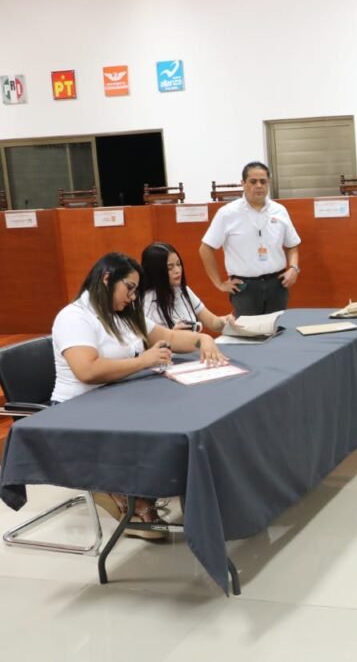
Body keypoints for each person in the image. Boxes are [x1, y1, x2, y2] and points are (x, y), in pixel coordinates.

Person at [51, 252, 227, 537]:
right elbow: (87, 370)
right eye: (129, 288)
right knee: (160, 421)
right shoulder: (74, 317)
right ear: (107, 278)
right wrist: (142, 361)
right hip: (78, 409)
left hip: (118, 396)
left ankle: (174, 488)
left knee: (184, 409)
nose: (133, 297)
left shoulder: (122, 314)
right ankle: (133, 500)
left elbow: (169, 337)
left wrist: (202, 339)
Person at [199, 161, 301, 316]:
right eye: (253, 182)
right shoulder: (227, 213)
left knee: (276, 328)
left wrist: (293, 268)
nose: (259, 186)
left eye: (263, 181)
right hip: (245, 287)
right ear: (243, 184)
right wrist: (219, 284)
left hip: (277, 284)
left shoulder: (280, 211)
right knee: (248, 330)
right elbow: (205, 249)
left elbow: (292, 245)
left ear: (268, 183)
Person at [140, 242, 233, 332]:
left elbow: (212, 322)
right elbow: (146, 341)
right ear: (155, 272)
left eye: (178, 264)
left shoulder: (182, 290)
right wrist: (172, 335)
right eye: (170, 268)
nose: (177, 270)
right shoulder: (147, 304)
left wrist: (227, 321)